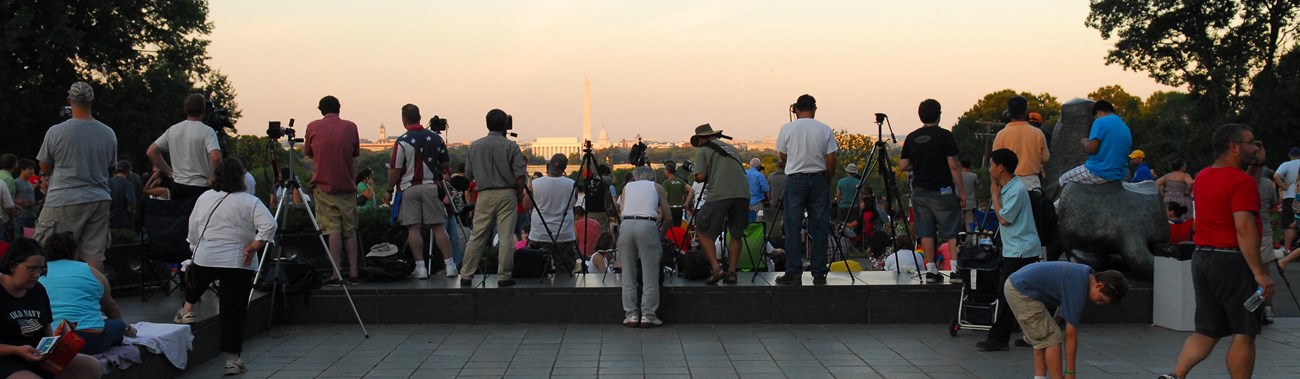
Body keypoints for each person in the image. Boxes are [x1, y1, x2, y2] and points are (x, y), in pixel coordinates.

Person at [1160, 124, 1273, 379]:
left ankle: (1175, 376)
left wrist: (1256, 164)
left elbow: (1244, 188)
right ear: (1234, 147)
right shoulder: (1239, 181)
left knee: (1207, 330)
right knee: (1244, 331)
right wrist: (1260, 273)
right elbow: (1244, 228)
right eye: (1250, 143)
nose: (1255, 147)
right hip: (1232, 260)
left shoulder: (1203, 176)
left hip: (1203, 257)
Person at [174, 158, 275, 376]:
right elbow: (269, 225)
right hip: (238, 262)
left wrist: (195, 248)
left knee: (197, 274)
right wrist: (254, 245)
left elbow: (193, 229)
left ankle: (187, 309)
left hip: (206, 256)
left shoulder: (204, 197)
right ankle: (232, 359)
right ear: (241, 178)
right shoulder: (250, 201)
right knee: (233, 311)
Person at [35, 81, 117, 273]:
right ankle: (96, 297)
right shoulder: (108, 133)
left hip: (64, 199)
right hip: (99, 197)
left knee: (49, 251)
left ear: (69, 100)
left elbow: (45, 166)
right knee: (94, 256)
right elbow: (110, 166)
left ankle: (52, 298)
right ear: (92, 101)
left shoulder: (56, 131)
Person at [1005, 262, 1129, 379]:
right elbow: (1070, 334)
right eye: (1101, 299)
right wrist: (1070, 372)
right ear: (1099, 285)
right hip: (1021, 290)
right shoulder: (1079, 287)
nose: (1098, 303)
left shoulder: (1084, 275)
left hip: (1018, 283)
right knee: (1051, 338)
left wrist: (1055, 322)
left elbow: (1063, 303)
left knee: (1043, 337)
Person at [0, 238, 102, 379]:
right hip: (7, 358)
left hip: (37, 354)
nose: (36, 275)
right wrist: (17, 351)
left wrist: (61, 337)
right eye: (31, 269)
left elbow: (46, 330)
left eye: (41, 269)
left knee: (90, 366)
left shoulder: (37, 290)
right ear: (12, 265)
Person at [976, 149, 1044, 352]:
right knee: (1023, 294)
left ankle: (999, 338)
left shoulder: (1015, 190)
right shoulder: (1011, 188)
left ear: (1001, 167)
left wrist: (994, 196)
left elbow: (1005, 219)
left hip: (1021, 250)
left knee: (1008, 293)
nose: (990, 169)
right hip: (1017, 249)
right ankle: (1034, 333)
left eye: (991, 165)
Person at [897, 98, 964, 284]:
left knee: (925, 231)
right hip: (942, 190)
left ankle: (931, 270)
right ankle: (955, 270)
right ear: (939, 114)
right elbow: (954, 165)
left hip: (920, 191)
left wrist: (918, 164)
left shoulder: (911, 137)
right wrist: (962, 191)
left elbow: (902, 165)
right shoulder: (945, 136)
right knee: (951, 230)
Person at [459, 109, 528, 287]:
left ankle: (466, 274)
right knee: (506, 236)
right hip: (506, 193)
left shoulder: (475, 146)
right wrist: (519, 194)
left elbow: (468, 174)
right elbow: (520, 176)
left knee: (477, 235)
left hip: (483, 194)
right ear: (505, 125)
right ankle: (503, 276)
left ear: (487, 124)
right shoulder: (511, 146)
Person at [774, 95, 838, 286]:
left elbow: (783, 156)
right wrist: (826, 179)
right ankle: (819, 271)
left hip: (796, 180)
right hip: (818, 178)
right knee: (819, 227)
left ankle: (793, 271)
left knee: (793, 227)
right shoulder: (825, 129)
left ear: (796, 110)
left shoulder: (787, 128)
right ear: (815, 109)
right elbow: (831, 160)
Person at [388, 104, 454, 280]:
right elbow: (445, 166)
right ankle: (450, 264)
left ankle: (420, 267)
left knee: (413, 228)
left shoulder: (402, 141)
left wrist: (388, 190)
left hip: (409, 188)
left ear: (404, 120)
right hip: (431, 186)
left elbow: (395, 169)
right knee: (438, 226)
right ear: (420, 117)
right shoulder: (436, 138)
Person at [39, 232, 134, 355]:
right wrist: (125, 327)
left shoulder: (37, 275)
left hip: (51, 340)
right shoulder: (92, 272)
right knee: (116, 325)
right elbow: (111, 308)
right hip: (88, 339)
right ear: (75, 251)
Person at [304, 95, 362, 285]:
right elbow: (355, 153)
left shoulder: (313, 127)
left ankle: (336, 272)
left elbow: (308, 153)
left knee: (333, 230)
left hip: (323, 186)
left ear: (321, 110)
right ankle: (354, 272)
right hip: (347, 185)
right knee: (350, 230)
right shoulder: (351, 127)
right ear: (339, 108)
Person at [689, 123, 750, 285]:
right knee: (736, 234)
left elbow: (700, 176)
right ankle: (732, 272)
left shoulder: (703, 151)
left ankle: (717, 269)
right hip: (743, 194)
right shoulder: (731, 149)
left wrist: (696, 173)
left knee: (702, 230)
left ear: (701, 139)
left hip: (720, 194)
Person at [617, 166, 672, 327]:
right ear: (653, 177)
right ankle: (648, 315)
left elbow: (622, 211)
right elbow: (668, 217)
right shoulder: (657, 187)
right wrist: (660, 236)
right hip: (647, 224)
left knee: (628, 273)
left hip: (626, 225)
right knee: (650, 273)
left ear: (635, 177)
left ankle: (631, 315)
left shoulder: (627, 187)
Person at [145, 93, 222, 201]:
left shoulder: (173, 130)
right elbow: (216, 158)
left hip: (179, 185)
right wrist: (214, 179)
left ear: (185, 109)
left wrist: (169, 172)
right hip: (201, 186)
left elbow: (151, 152)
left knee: (180, 216)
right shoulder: (207, 131)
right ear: (204, 109)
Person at [523, 154, 579, 274]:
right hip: (564, 234)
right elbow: (572, 203)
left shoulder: (535, 184)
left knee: (538, 270)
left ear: (549, 166)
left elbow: (526, 205)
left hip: (539, 233)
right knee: (565, 272)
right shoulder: (572, 185)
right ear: (564, 168)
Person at [1057, 100, 1132, 187]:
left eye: (1095, 117)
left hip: (1100, 171)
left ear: (1099, 112)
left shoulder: (1100, 121)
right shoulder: (1124, 126)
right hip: (1120, 173)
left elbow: (1091, 149)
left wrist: (1085, 142)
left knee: (1063, 179)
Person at [992, 96, 1050, 191]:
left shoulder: (1001, 135)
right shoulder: (1038, 133)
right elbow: (1045, 158)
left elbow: (995, 162)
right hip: (1032, 183)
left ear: (1009, 113)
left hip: (1008, 183)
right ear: (1026, 111)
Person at [1275, 147, 1300, 250]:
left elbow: (1276, 176)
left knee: (1290, 225)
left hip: (1290, 197)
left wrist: (1283, 187)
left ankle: (1287, 250)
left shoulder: (1286, 164)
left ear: (1290, 155)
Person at [106, 161, 137, 245]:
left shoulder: (107, 182)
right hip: (124, 225)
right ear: (128, 171)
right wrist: (131, 211)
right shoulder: (128, 184)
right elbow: (131, 202)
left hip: (109, 224)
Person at [12, 160, 36, 239]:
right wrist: (21, 202)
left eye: (33, 169)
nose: (32, 171)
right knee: (20, 240)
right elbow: (9, 197)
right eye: (30, 169)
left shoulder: (29, 183)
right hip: (21, 217)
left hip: (31, 216)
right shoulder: (16, 182)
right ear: (22, 169)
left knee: (30, 239)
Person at [661, 164, 688, 228]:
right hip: (679, 209)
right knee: (677, 228)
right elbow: (691, 190)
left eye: (665, 170)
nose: (664, 172)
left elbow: (665, 197)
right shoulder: (681, 181)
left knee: (667, 229)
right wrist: (686, 203)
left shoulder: (666, 182)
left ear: (668, 171)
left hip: (670, 209)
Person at [745, 158, 770, 223]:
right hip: (757, 203)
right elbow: (766, 189)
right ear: (758, 166)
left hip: (745, 202)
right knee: (758, 223)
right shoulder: (759, 175)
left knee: (746, 222)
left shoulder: (744, 173)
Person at [959, 158, 978, 232]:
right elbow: (976, 185)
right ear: (970, 165)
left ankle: (957, 241)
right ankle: (969, 241)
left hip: (959, 202)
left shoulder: (957, 176)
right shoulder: (974, 176)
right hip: (970, 203)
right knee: (970, 224)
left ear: (961, 165)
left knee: (958, 224)